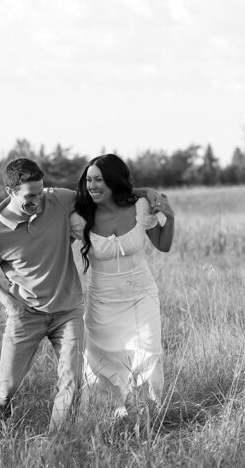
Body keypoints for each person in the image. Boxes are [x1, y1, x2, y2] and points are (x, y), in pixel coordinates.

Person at [0, 156, 164, 431]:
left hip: (67, 312)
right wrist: (9, 302)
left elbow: (102, 192)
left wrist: (144, 192)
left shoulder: (57, 200)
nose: (37, 200)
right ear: (11, 192)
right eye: (30, 196)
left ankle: (56, 441)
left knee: (72, 383)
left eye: (40, 192)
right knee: (7, 387)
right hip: (26, 314)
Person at [71, 154, 175, 418]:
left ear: (114, 182)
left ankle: (149, 414)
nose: (92, 186)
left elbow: (163, 245)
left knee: (149, 353)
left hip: (141, 294)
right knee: (101, 361)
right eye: (89, 180)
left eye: (99, 180)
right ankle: (109, 414)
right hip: (102, 300)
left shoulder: (139, 207)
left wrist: (169, 218)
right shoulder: (80, 214)